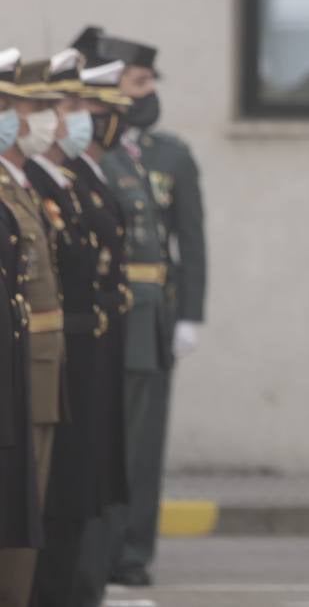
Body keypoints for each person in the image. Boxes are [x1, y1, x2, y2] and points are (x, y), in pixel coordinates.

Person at [70, 28, 189, 588]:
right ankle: (103, 546)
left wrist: (189, 314)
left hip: (151, 314)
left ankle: (133, 551)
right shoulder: (94, 159)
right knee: (107, 440)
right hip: (107, 313)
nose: (145, 94)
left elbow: (189, 240)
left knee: (143, 445)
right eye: (136, 83)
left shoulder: (164, 153)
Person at [19, 51, 117, 607]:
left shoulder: (64, 181)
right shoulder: (29, 184)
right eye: (63, 106)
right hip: (46, 352)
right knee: (48, 498)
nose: (73, 118)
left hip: (73, 348)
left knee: (70, 493)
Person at [63, 58, 133, 607]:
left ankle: (90, 579)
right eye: (89, 109)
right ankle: (81, 582)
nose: (100, 121)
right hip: (77, 339)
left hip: (102, 332)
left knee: (99, 464)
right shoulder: (67, 181)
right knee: (79, 468)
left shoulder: (94, 176)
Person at [0, 49, 65, 607]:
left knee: (29, 497)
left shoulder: (22, 183)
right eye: (28, 107)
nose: (47, 119)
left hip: (34, 356)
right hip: (19, 357)